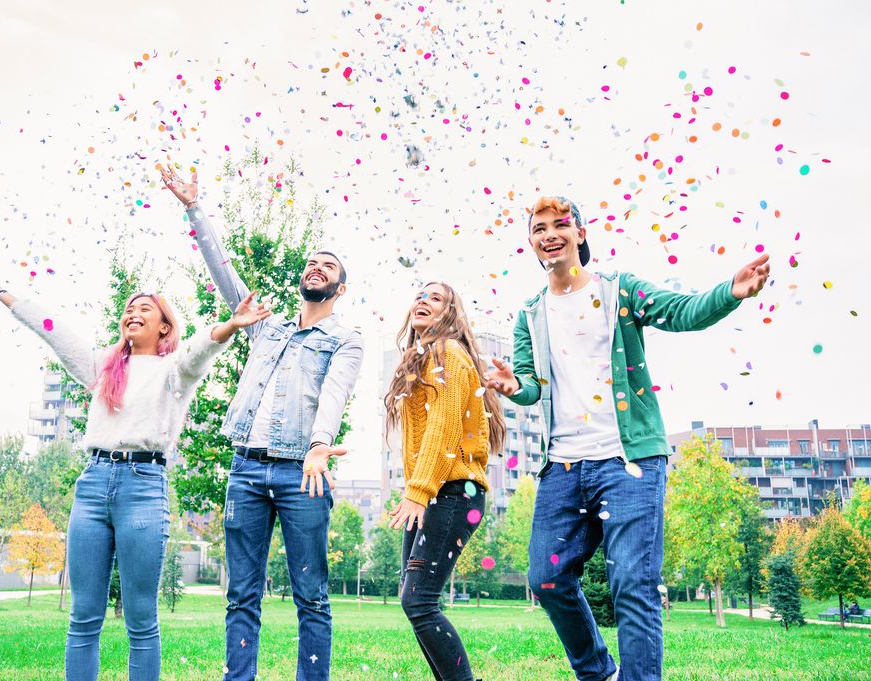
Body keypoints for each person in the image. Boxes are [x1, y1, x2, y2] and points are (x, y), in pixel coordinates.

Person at [488, 196, 770, 681]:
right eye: (539, 228)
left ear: (580, 232)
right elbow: (531, 386)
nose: (550, 233)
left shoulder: (620, 291)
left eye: (560, 224)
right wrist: (515, 387)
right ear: (531, 243)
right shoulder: (530, 315)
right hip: (563, 467)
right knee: (547, 578)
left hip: (629, 463)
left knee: (632, 583)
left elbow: (683, 313)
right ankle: (598, 672)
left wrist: (731, 291)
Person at [0, 279, 268, 681]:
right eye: (129, 309)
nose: (132, 314)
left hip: (143, 487)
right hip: (92, 486)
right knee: (84, 615)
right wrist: (5, 295)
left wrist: (230, 325)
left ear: (163, 326)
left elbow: (199, 350)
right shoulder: (102, 367)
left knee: (141, 618)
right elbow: (56, 332)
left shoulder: (172, 371)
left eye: (144, 309)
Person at [160, 165, 364, 681]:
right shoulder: (264, 327)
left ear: (341, 287)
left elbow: (334, 396)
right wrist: (193, 208)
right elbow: (223, 274)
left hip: (303, 473)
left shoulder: (346, 339)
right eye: (312, 263)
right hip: (246, 472)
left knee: (311, 596)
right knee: (241, 595)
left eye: (328, 266)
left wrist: (320, 444)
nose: (317, 268)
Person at [383, 282, 504, 681]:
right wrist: (416, 490)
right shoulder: (422, 359)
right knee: (415, 600)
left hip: (451, 492)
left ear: (450, 314)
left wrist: (419, 492)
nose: (421, 300)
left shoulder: (449, 353)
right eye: (419, 294)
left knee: (419, 600)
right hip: (436, 491)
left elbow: (445, 426)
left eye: (434, 298)